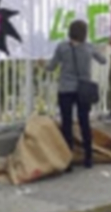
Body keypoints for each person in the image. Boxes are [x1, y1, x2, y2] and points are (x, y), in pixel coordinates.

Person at [46, 20, 107, 170]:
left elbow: (51, 67)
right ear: (84, 34)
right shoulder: (89, 48)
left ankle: (68, 160)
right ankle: (88, 158)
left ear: (70, 32)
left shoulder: (62, 47)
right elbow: (103, 61)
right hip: (83, 90)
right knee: (84, 123)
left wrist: (43, 64)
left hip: (65, 89)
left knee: (66, 124)